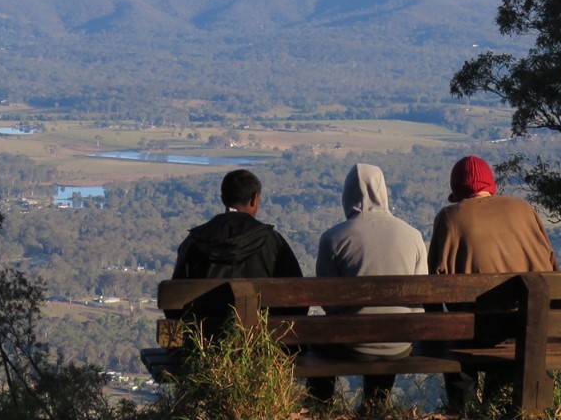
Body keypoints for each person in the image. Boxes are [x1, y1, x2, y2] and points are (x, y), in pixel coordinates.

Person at [428, 155, 560, 410]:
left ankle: (465, 408)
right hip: (527, 328)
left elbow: (435, 286)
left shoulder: (450, 218)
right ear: (490, 185)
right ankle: (497, 405)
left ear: (457, 191)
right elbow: (551, 265)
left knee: (459, 329)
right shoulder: (524, 210)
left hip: (474, 332)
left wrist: (434, 331)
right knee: (506, 327)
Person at [312, 163, 429, 407]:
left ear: (347, 195)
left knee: (317, 333)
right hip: (401, 343)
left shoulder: (334, 238)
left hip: (352, 343)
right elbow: (421, 297)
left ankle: (320, 406)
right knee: (389, 322)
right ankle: (375, 404)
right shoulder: (413, 235)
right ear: (383, 191)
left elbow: (327, 301)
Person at [169, 168, 304, 319]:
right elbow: (298, 295)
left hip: (205, 338)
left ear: (223, 198)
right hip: (262, 337)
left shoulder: (195, 241)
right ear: (254, 199)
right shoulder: (272, 242)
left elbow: (174, 301)